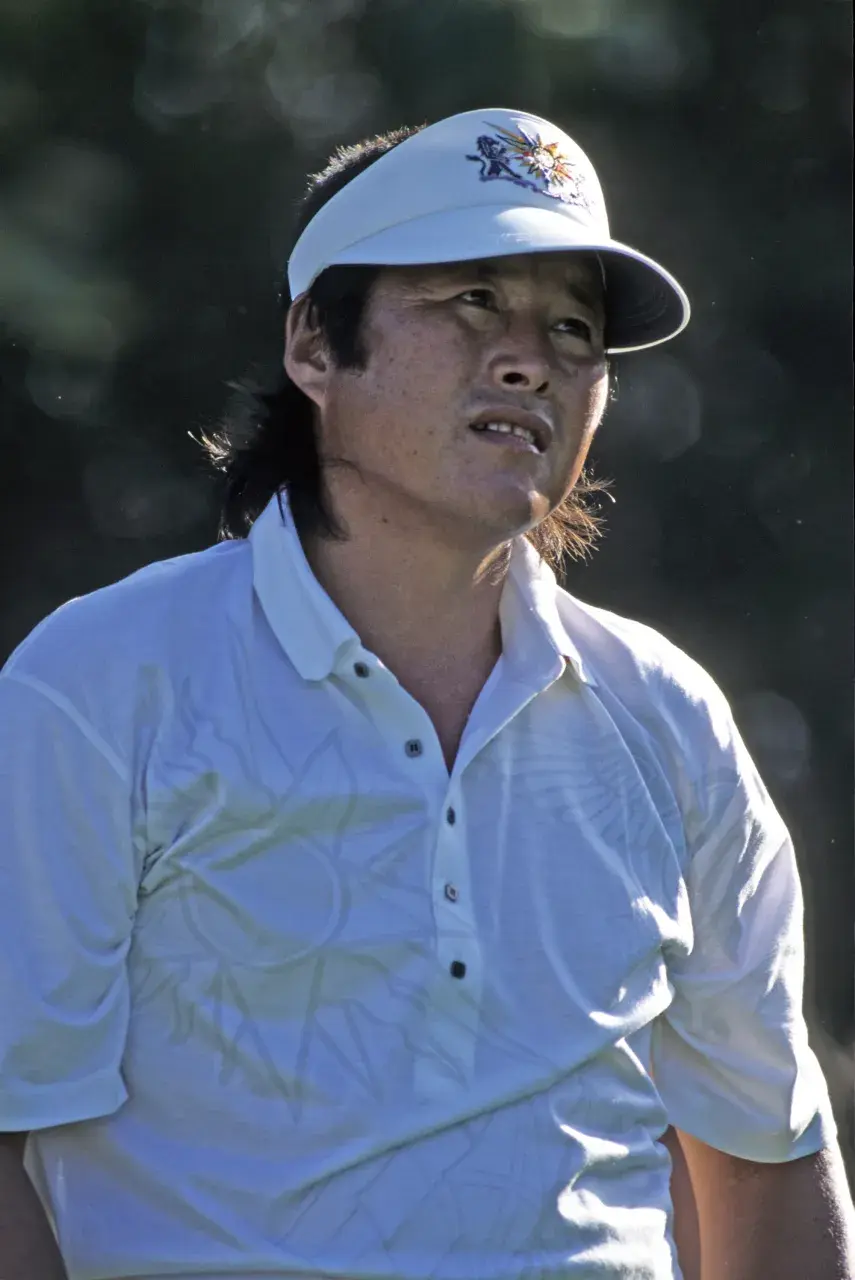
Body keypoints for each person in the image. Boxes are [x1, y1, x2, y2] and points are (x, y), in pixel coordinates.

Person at [0, 107, 851, 1280]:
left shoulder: (671, 716)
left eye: (572, 328)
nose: (530, 358)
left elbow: (765, 1149)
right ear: (314, 345)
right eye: (472, 302)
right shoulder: (100, 683)